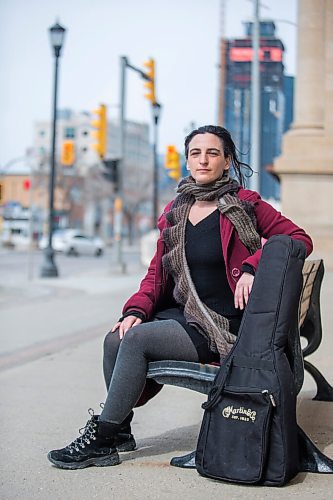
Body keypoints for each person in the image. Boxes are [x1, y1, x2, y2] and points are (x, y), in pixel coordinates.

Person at [47, 125, 313, 470]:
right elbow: (157, 274)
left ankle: (101, 438)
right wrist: (136, 310)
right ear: (187, 161)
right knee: (118, 336)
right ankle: (120, 429)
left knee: (138, 342)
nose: (203, 160)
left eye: (213, 153)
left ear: (227, 161)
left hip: (222, 322)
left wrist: (252, 267)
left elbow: (298, 238)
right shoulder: (175, 211)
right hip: (182, 313)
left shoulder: (247, 205)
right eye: (195, 153)